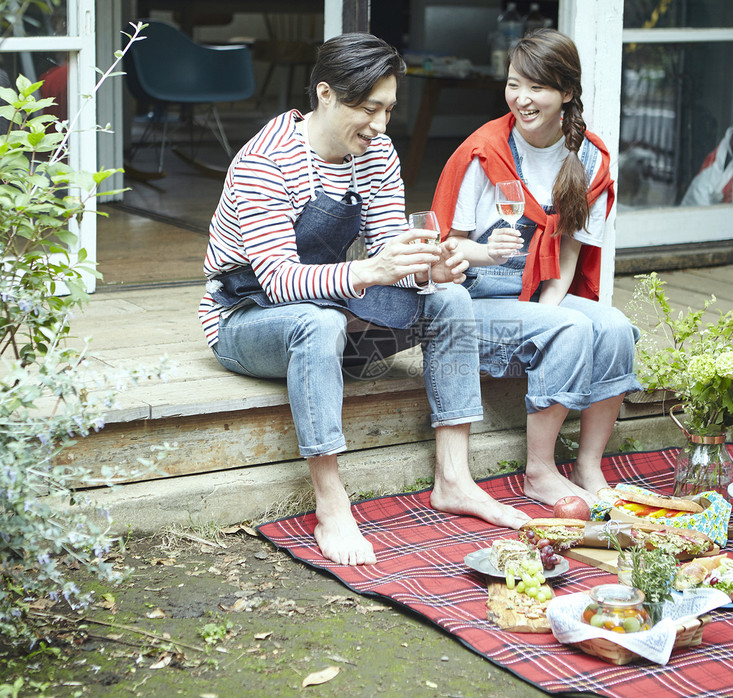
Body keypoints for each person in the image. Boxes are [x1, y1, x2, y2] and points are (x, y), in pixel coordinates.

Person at [198, 34, 530, 567]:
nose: (379, 124)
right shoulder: (266, 161)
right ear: (326, 94)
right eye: (367, 108)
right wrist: (373, 270)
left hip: (334, 308)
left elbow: (386, 252)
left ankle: (454, 478)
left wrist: (426, 272)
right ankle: (331, 503)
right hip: (248, 319)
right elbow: (281, 281)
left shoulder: (376, 154)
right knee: (317, 324)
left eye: (389, 109)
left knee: (448, 300)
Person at [431, 29, 642, 507]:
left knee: (613, 327)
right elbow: (449, 250)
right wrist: (491, 257)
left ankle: (589, 465)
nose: (521, 99)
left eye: (537, 88)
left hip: (534, 295)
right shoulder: (485, 151)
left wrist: (546, 310)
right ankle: (540, 471)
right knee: (568, 325)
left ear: (566, 93)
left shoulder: (589, 158)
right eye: (513, 85)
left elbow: (568, 255)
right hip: (474, 301)